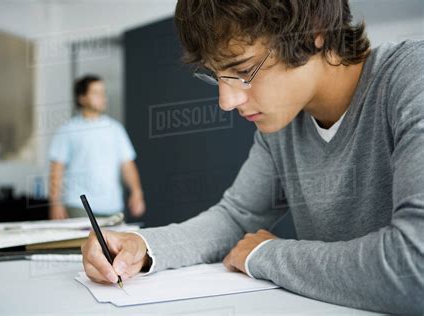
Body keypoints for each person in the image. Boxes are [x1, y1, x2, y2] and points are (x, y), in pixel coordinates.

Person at [81, 1, 423, 313]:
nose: (226, 102)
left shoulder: (412, 79)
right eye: (216, 76)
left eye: (243, 70)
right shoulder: (285, 125)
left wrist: (267, 255)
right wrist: (142, 245)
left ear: (315, 33)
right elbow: (237, 217)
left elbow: (414, 266)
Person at [49, 75, 145, 219]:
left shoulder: (115, 129)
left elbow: (127, 165)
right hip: (79, 205)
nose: (102, 97)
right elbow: (57, 169)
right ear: (82, 98)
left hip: (112, 206)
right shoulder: (68, 130)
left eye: (103, 93)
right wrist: (56, 204)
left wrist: (137, 193)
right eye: (96, 93)